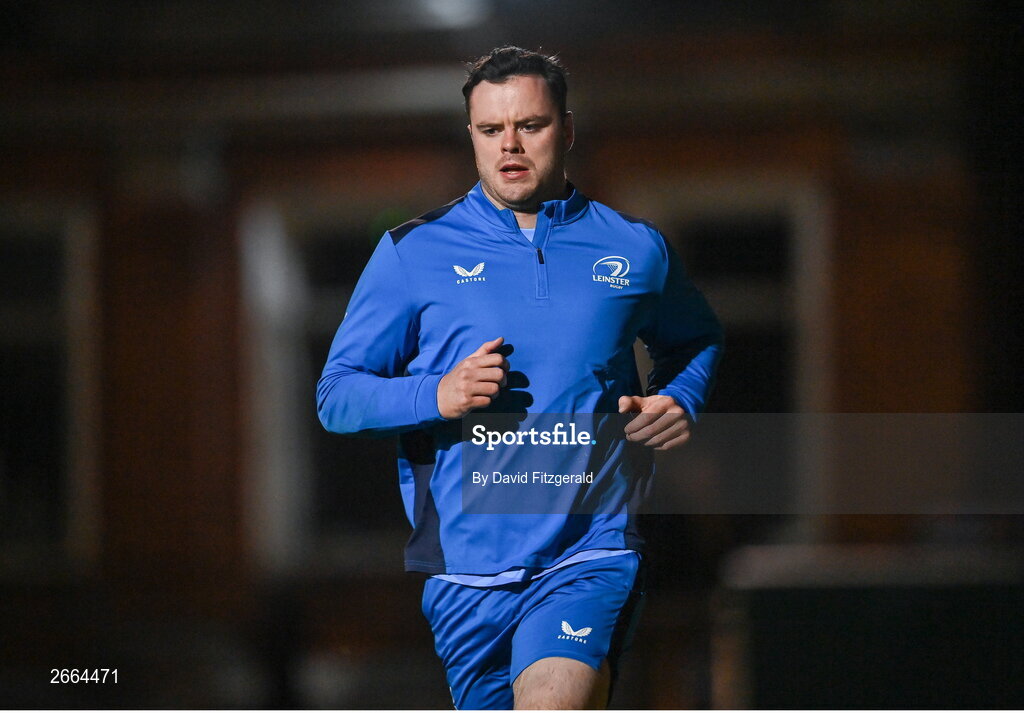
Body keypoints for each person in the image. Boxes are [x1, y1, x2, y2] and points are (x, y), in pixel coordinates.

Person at [317, 46, 723, 710]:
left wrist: (679, 395)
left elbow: (697, 337)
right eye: (489, 129)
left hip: (588, 552)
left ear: (566, 129)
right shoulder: (411, 253)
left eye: (529, 125)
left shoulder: (634, 248)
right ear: (471, 135)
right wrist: (437, 393)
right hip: (465, 574)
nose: (509, 144)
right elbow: (336, 396)